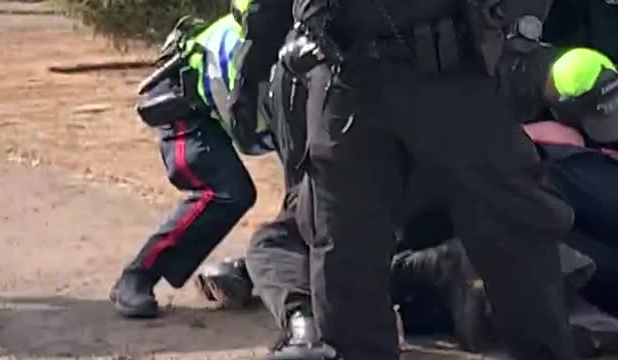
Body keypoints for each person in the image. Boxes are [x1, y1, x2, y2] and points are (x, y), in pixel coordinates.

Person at [229, 0, 588, 358]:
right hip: (343, 76)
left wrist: (515, 31)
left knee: (513, 230)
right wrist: (254, 58)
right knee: (345, 244)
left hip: (452, 71)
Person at [109, 0, 274, 318]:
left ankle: (254, 272)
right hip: (187, 101)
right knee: (227, 192)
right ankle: (138, 275)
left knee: (313, 188)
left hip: (232, 101)